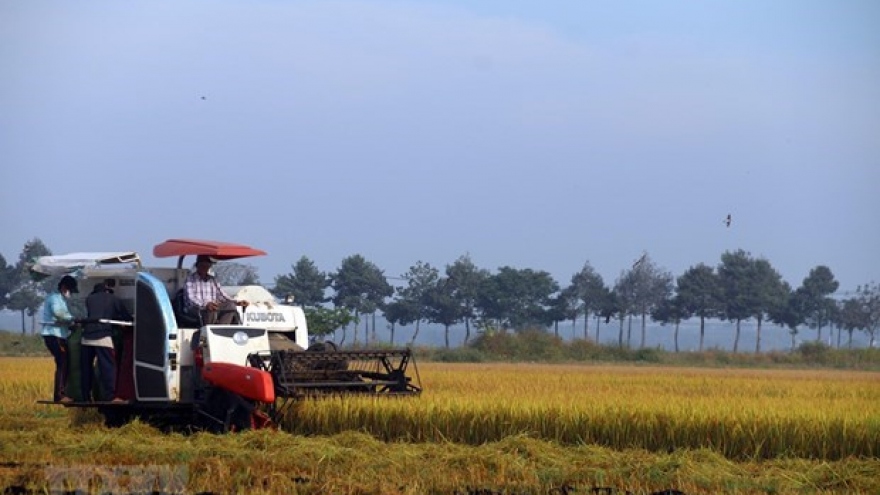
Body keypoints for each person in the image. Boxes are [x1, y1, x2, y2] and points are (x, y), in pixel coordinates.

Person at [81, 281, 132, 402]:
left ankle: (85, 397)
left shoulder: (89, 299)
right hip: (103, 336)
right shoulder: (113, 299)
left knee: (86, 368)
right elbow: (125, 316)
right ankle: (110, 396)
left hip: (86, 337)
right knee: (108, 367)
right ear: (107, 290)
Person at [40, 275, 78, 403]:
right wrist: (73, 319)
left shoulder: (62, 299)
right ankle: (59, 395)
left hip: (60, 334)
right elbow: (59, 313)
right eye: (70, 290)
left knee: (65, 362)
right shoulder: (54, 298)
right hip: (53, 334)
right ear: (64, 287)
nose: (70, 293)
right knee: (62, 362)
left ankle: (63, 392)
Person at [184, 255, 248, 325]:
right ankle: (209, 329)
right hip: (196, 309)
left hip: (212, 307)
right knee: (211, 309)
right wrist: (205, 305)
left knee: (230, 306)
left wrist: (236, 302)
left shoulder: (212, 279)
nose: (205, 268)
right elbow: (191, 299)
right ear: (197, 266)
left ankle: (222, 328)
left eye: (207, 265)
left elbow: (222, 295)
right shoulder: (190, 279)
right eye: (202, 265)